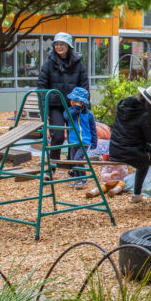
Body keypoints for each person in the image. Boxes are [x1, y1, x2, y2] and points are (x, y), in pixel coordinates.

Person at [108, 84, 151, 203]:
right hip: (131, 152)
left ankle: (137, 195)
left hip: (115, 150)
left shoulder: (124, 108)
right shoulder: (144, 115)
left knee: (144, 162)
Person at [36, 32, 89, 166]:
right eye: (56, 44)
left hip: (73, 105)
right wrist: (44, 108)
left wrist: (85, 105)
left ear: (68, 46)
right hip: (55, 105)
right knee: (58, 135)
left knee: (74, 136)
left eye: (62, 44)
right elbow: (41, 86)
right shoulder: (48, 64)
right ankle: (53, 164)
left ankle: (72, 165)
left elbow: (84, 84)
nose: (59, 47)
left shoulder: (77, 64)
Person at [65, 87, 98, 188]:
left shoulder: (88, 114)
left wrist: (94, 142)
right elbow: (67, 117)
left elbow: (93, 129)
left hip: (85, 141)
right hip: (73, 141)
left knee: (78, 159)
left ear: (82, 102)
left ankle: (83, 179)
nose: (72, 102)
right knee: (74, 160)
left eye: (75, 101)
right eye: (72, 100)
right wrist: (76, 108)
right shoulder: (69, 111)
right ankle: (76, 179)